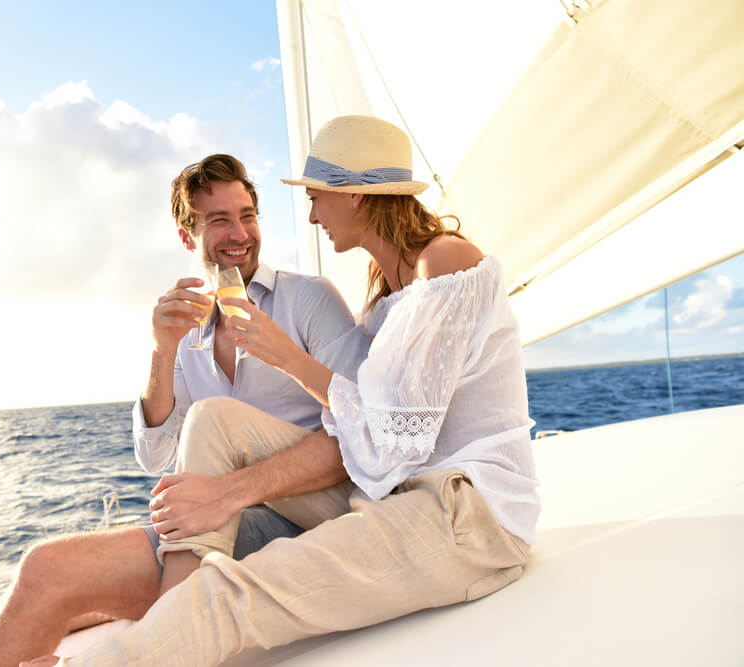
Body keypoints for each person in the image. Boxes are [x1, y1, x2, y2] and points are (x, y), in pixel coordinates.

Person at [68, 115, 541, 667]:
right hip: (395, 493)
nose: (311, 214)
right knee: (213, 420)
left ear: (358, 198)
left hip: (470, 518)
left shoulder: (447, 262)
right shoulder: (387, 288)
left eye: (318, 197)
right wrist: (166, 350)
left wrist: (286, 359)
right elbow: (372, 439)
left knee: (235, 591)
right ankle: (173, 620)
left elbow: (399, 434)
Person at [0, 154, 369, 666]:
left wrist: (231, 492)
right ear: (185, 234)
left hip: (308, 521)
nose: (239, 233)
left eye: (247, 215)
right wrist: (163, 349)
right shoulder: (191, 329)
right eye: (218, 220)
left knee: (54, 574)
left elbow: (362, 433)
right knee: (47, 577)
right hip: (225, 524)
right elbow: (155, 457)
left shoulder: (308, 300)